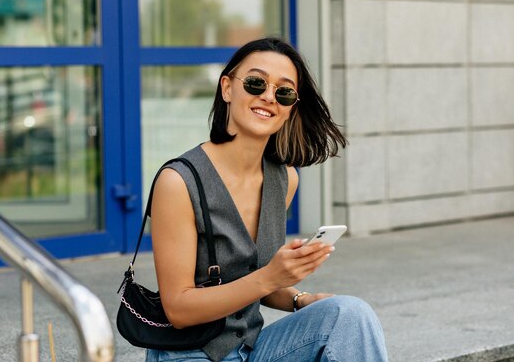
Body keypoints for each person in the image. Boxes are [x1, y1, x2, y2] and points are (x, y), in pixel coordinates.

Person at [147, 37, 388, 362]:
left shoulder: (283, 179)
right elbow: (178, 309)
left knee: (349, 313)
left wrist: (300, 298)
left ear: (290, 109)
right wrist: (271, 276)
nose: (268, 97)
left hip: (252, 349)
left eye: (284, 91)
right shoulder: (178, 182)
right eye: (256, 83)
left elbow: (255, 278)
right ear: (227, 88)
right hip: (188, 353)